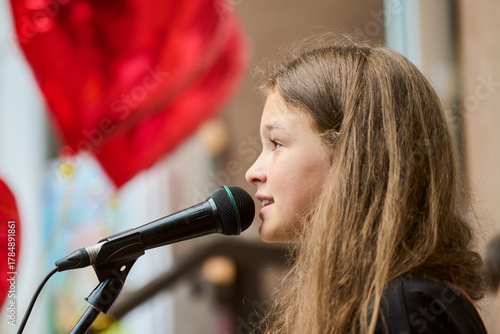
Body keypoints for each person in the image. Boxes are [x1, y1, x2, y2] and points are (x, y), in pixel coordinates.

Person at [245, 37, 487, 333]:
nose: (252, 173)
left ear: (354, 155)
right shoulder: (380, 302)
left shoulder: (402, 308)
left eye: (276, 143)